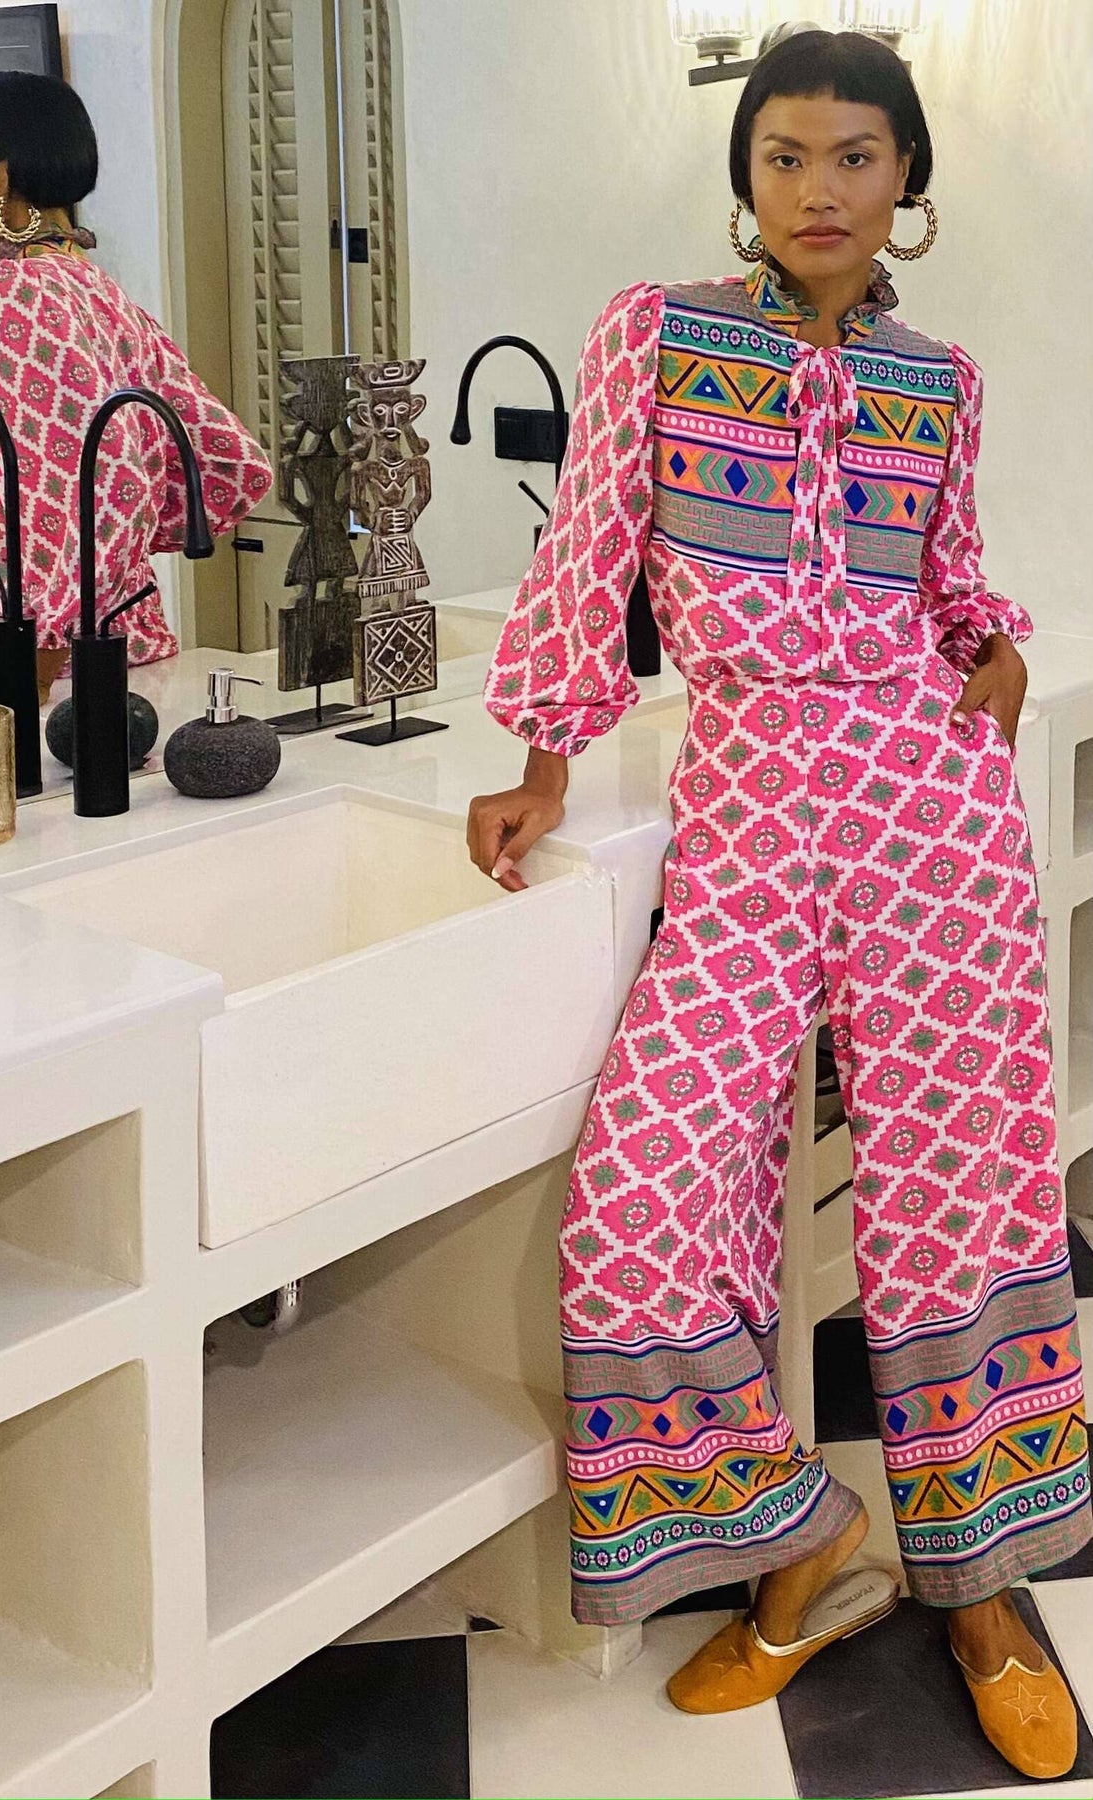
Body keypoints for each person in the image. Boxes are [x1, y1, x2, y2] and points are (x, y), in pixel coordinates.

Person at [467, 27, 1089, 1781]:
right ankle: (809, 1540)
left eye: (856, 156)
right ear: (743, 179)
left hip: (930, 812)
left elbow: (950, 573)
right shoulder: (657, 335)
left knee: (962, 1200)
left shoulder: (939, 381)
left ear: (909, 180)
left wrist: (990, 643)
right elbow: (586, 555)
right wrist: (541, 759)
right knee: (644, 1191)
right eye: (786, 157)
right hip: (748, 802)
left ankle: (983, 1592)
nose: (821, 190)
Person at [0, 71, 273, 701]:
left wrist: (38, 660)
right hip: (133, 642)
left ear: (4, 174)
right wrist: (119, 566)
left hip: (60, 670)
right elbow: (231, 463)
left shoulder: (12, 291)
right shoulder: (91, 284)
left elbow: (95, 489)